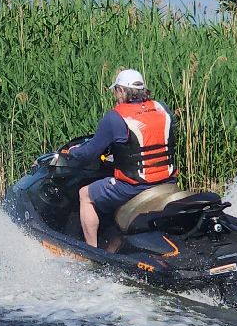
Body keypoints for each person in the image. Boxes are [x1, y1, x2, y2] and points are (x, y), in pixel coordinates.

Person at [63, 68, 175, 249]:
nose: (115, 96)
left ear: (122, 91)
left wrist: (72, 153)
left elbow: (89, 153)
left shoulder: (116, 117)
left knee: (85, 194)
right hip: (167, 181)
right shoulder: (163, 109)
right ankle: (116, 243)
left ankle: (92, 251)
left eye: (116, 91)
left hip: (133, 186)